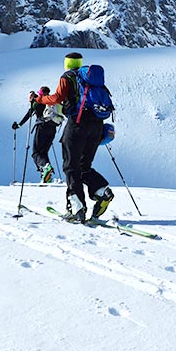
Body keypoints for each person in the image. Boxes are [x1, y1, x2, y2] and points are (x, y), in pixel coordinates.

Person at [33, 52, 114, 223]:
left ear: (67, 64)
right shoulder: (91, 81)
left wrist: (40, 100)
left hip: (77, 125)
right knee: (85, 166)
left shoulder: (68, 77)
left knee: (71, 167)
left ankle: (77, 208)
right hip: (97, 126)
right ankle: (102, 190)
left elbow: (57, 98)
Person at [12, 86, 58, 183]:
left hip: (42, 127)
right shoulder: (51, 101)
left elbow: (29, 115)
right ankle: (46, 175)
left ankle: (45, 168)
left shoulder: (37, 102)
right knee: (44, 152)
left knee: (36, 153)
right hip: (53, 128)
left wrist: (19, 125)